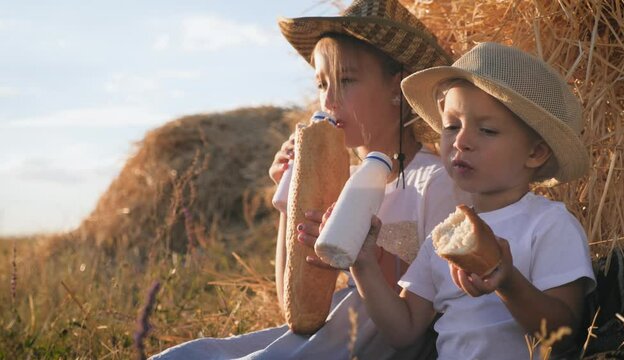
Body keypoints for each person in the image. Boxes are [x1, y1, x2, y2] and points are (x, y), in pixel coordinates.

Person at [151, 0, 468, 359]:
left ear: (397, 86)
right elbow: (296, 308)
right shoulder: (340, 184)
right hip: (332, 334)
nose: (329, 100)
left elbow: (421, 321)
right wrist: (292, 195)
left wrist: (364, 254)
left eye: (346, 80)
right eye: (321, 84)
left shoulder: (436, 181)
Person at [345, 42, 597, 360]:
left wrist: (507, 281)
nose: (460, 141)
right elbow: (404, 330)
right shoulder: (444, 236)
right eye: (451, 126)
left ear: (535, 152)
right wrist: (362, 262)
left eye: (487, 130)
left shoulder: (549, 224)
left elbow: (565, 334)